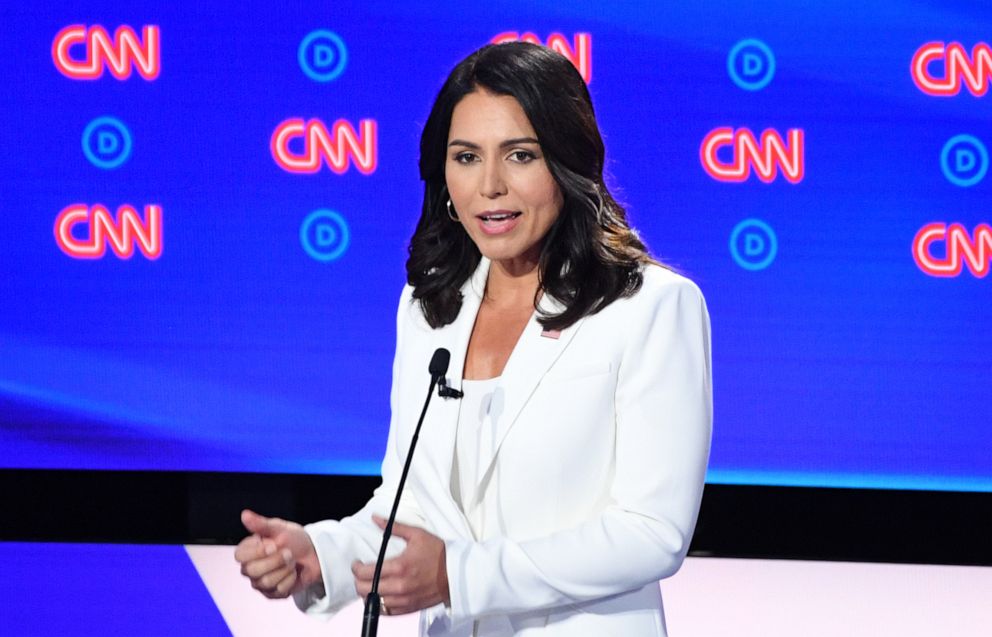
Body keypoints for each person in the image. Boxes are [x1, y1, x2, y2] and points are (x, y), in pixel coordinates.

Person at [235, 41, 712, 636]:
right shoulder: (431, 307)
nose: (489, 185)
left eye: (519, 155)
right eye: (465, 157)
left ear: (567, 162)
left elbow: (652, 532)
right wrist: (320, 555)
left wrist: (460, 574)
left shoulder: (648, 308)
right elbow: (412, 505)